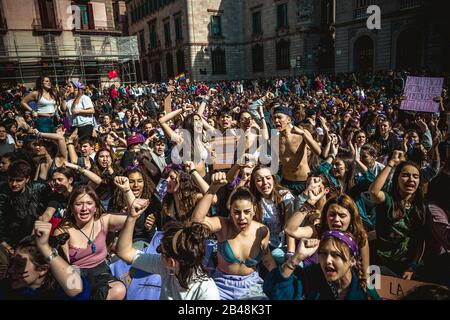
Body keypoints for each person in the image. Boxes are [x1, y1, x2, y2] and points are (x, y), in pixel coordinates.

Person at [116, 197, 220, 300]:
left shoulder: (207, 292)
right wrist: (131, 217)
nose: (159, 254)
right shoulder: (164, 265)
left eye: (161, 252)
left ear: (171, 262)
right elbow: (124, 252)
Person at [192, 172, 275, 300]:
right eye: (236, 212)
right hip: (221, 285)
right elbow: (197, 221)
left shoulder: (262, 231)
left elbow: (267, 259)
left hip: (252, 286)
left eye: (247, 212)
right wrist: (212, 189)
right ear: (230, 211)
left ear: (253, 210)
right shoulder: (222, 225)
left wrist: (280, 279)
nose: (242, 217)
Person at [54, 185, 127, 300]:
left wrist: (127, 191)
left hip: (100, 271)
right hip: (76, 274)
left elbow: (133, 218)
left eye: (89, 203)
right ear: (72, 208)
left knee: (119, 289)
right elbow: (62, 267)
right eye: (78, 204)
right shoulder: (63, 231)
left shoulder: (104, 220)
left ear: (96, 207)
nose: (84, 208)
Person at [263, 231, 380, 300]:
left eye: (336, 255)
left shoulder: (366, 292)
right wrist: (297, 258)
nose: (328, 260)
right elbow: (275, 292)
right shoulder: (311, 276)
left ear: (352, 261)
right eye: (323, 254)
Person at [369, 150, 426, 279]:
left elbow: (420, 240)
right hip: (378, 263)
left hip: (405, 266)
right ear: (397, 178)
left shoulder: (420, 208)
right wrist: (391, 164)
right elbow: (373, 191)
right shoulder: (388, 200)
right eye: (405, 175)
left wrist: (412, 267)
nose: (411, 179)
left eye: (415, 176)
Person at [0, 220, 89, 300]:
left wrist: (45, 247)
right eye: (12, 262)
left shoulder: (59, 291)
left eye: (19, 265)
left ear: (43, 269)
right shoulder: (6, 288)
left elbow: (77, 291)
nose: (11, 270)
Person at [249, 165, 296, 265]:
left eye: (268, 178)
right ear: (254, 183)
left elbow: (290, 228)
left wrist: (290, 253)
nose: (265, 183)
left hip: (284, 244)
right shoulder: (252, 200)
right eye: (259, 180)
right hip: (262, 245)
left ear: (274, 179)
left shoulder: (285, 196)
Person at [0, 160, 51, 249]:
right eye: (11, 180)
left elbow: (55, 199)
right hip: (11, 237)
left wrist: (47, 214)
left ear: (27, 179)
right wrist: (6, 246)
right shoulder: (3, 193)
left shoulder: (40, 188)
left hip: (36, 233)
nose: (14, 184)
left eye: (19, 180)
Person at [272, 105, 321, 196]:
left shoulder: (301, 134)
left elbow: (318, 152)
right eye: (274, 118)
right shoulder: (275, 139)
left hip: (304, 182)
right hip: (286, 183)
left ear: (288, 120)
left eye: (279, 117)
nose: (276, 121)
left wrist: (303, 134)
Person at [111, 170, 161, 249]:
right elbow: (110, 230)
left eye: (140, 181)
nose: (136, 185)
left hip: (141, 241)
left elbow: (156, 235)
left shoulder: (151, 203)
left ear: (144, 183)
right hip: (119, 241)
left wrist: (150, 228)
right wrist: (121, 217)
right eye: (131, 182)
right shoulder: (117, 201)